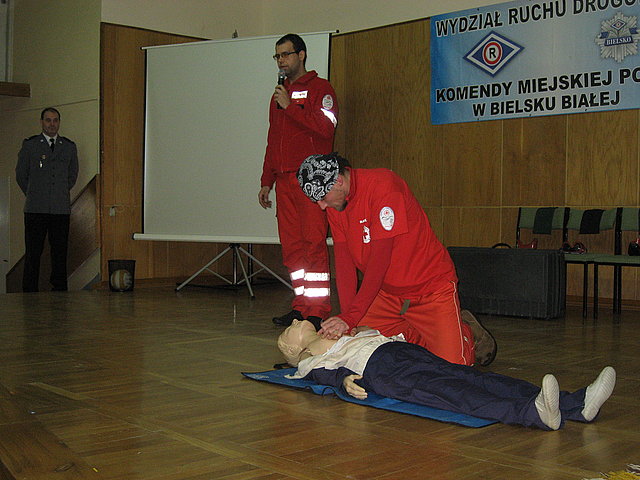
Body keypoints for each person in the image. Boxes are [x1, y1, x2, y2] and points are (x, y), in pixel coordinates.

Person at [296, 152, 496, 366]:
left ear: (338, 181)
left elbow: (379, 263)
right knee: (357, 342)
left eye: (322, 198)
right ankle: (418, 334)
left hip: (429, 290)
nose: (322, 206)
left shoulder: (384, 186)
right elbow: (344, 263)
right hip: (387, 295)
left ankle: (467, 332)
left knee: (451, 370)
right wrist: (348, 318)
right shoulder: (337, 205)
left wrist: (351, 317)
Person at [277, 319, 617, 431]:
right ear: (294, 350)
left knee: (476, 378)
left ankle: (577, 404)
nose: (294, 321)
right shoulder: (308, 362)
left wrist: (354, 331)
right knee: (454, 392)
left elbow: (370, 330)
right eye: (290, 329)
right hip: (382, 371)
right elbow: (319, 376)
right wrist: (343, 381)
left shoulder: (334, 334)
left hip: (400, 352)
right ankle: (533, 413)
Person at [258, 33, 339, 329]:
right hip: (283, 181)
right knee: (292, 248)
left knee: (313, 244)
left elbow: (326, 129)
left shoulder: (321, 89)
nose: (281, 60)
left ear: (301, 55)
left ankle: (318, 310)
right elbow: (273, 140)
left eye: (286, 54)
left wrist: (291, 106)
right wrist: (266, 180)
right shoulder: (278, 95)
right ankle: (300, 306)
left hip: (311, 179)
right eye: (277, 56)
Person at [15, 107, 79, 292]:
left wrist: (57, 193)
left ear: (59, 122)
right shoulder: (30, 145)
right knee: (33, 253)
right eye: (48, 120)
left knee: (60, 253)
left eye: (55, 120)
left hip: (60, 209)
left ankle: (59, 291)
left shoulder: (68, 146)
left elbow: (72, 175)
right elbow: (21, 175)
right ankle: (29, 293)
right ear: (42, 122)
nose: (52, 124)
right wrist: (35, 193)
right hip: (35, 209)